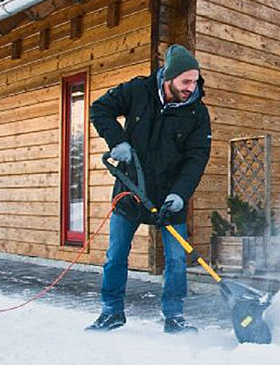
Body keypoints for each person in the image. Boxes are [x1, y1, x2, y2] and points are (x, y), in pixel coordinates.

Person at [86, 44, 212, 333]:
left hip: (170, 197)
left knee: (177, 259)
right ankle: (111, 311)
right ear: (169, 77)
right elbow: (99, 109)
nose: (191, 88)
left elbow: (197, 158)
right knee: (116, 253)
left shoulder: (197, 112)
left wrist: (180, 195)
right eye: (186, 82)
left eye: (195, 81)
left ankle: (174, 315)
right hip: (131, 190)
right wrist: (117, 141)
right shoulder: (137, 91)